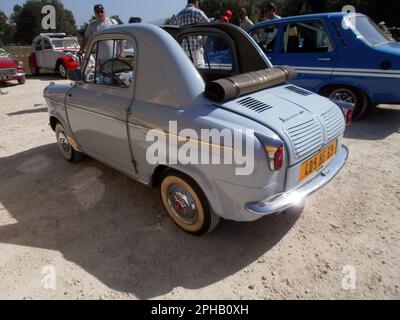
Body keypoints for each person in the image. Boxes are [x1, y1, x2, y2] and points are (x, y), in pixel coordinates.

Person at [171, 0, 210, 67]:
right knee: (200, 69)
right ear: (196, 2)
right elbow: (209, 24)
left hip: (183, 50)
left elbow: (171, 28)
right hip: (196, 47)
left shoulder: (179, 15)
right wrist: (203, 40)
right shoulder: (198, 12)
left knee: (188, 70)